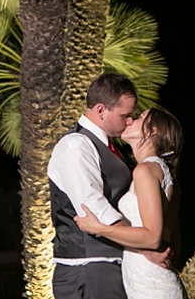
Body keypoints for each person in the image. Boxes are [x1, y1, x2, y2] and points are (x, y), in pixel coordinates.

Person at [48, 73, 145, 299]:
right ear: (101, 110)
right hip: (89, 268)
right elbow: (94, 208)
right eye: (125, 115)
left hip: (104, 266)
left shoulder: (104, 145)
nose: (130, 122)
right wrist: (143, 244)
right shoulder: (76, 145)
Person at [74, 107, 185, 299]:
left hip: (150, 286)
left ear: (153, 131)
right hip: (156, 281)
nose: (130, 120)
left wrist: (99, 228)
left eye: (140, 117)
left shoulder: (145, 170)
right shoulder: (168, 177)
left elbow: (153, 238)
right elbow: (174, 244)